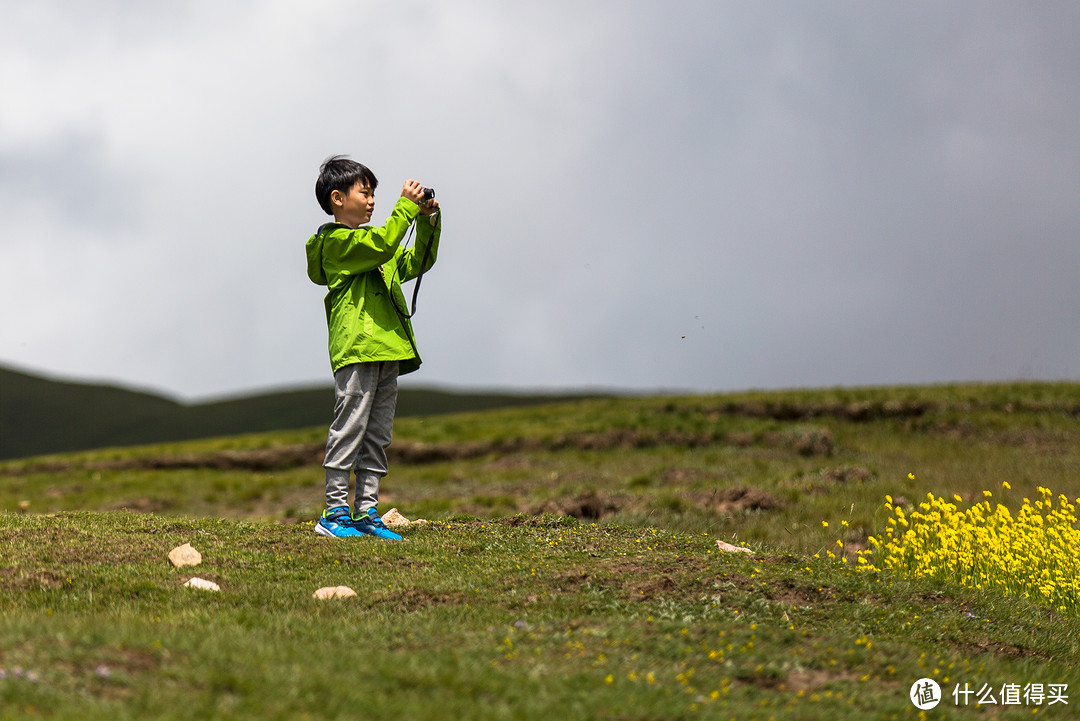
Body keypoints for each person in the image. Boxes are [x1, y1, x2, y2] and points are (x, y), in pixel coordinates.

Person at [305, 155, 441, 539]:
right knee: (349, 429)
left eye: (374, 194)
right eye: (364, 193)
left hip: (388, 350)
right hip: (358, 348)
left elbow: (417, 260)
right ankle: (334, 513)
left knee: (378, 434)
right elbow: (382, 244)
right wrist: (406, 207)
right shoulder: (335, 244)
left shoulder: (373, 246)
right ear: (337, 198)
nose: (372, 201)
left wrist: (427, 220)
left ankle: (366, 513)